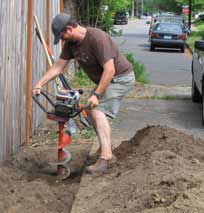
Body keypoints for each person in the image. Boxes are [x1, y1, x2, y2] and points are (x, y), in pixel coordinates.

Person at [32, 13, 135, 173]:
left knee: (97, 110)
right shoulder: (71, 44)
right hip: (107, 79)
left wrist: (97, 95)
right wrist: (39, 83)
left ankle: (106, 158)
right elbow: (58, 66)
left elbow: (110, 69)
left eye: (62, 36)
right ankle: (104, 148)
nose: (63, 40)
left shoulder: (96, 38)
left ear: (69, 28)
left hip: (120, 78)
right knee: (89, 110)